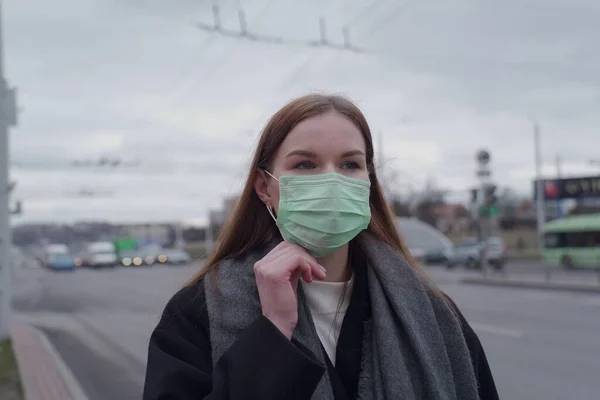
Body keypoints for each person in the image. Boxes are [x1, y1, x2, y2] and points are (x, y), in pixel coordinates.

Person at [143, 94, 499, 400]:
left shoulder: (432, 311)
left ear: (369, 183)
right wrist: (273, 332)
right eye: (305, 164)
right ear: (264, 187)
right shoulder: (198, 311)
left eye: (349, 164)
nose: (331, 180)